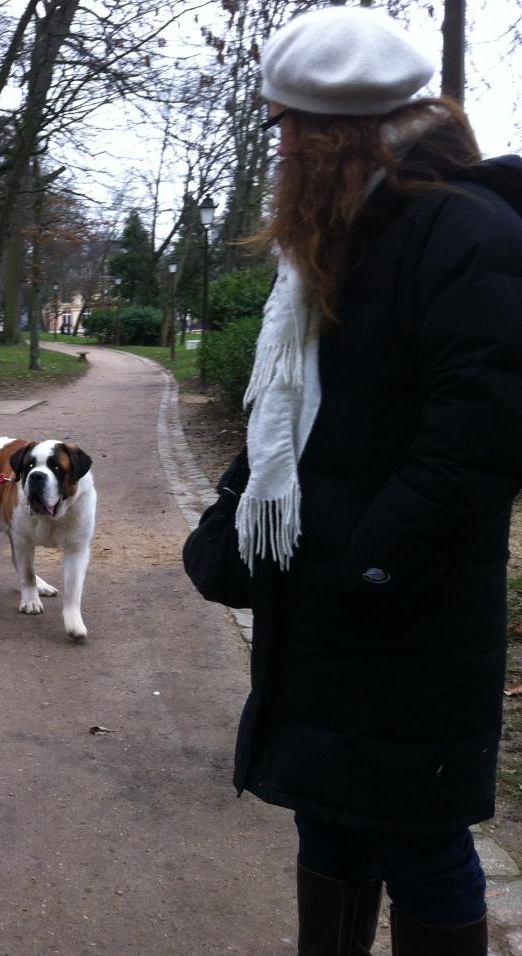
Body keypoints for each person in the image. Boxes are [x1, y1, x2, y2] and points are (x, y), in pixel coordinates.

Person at [182, 6, 522, 954]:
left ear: (337, 135)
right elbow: (297, 409)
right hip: (327, 607)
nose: (282, 150)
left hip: (405, 613)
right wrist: (234, 525)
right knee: (327, 815)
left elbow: (481, 439)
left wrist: (367, 567)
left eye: (292, 130)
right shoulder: (339, 239)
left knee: (419, 840)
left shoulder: (468, 232)